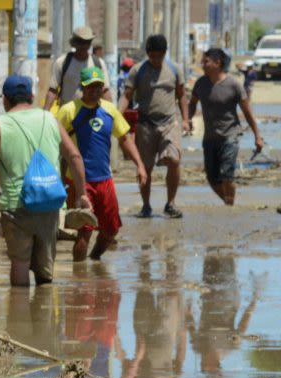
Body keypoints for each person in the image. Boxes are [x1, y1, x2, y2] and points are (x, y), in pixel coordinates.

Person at [0, 75, 88, 287]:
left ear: (5, 100)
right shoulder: (50, 119)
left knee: (19, 264)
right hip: (49, 203)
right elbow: (74, 157)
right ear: (31, 96)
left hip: (14, 205)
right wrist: (82, 194)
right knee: (46, 272)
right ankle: (43, 316)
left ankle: (19, 316)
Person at [57, 66, 149, 261]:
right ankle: (79, 276)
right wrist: (59, 179)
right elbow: (55, 142)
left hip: (105, 180)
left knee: (111, 229)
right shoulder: (68, 111)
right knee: (85, 231)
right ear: (82, 87)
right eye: (91, 87)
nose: (95, 90)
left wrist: (139, 164)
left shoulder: (110, 110)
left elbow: (125, 139)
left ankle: (94, 260)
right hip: (80, 181)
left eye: (99, 86)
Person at [121, 34, 188, 219]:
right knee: (145, 167)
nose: (156, 60)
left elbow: (182, 95)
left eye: (159, 56)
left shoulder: (175, 69)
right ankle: (146, 206)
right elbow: (127, 95)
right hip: (146, 125)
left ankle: (171, 203)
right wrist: (117, 116)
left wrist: (185, 120)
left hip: (169, 122)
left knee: (174, 160)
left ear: (165, 53)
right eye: (152, 56)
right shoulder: (137, 71)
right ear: (148, 54)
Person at [190, 48, 265, 207]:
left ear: (218, 63)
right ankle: (228, 202)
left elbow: (247, 112)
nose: (202, 65)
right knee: (212, 178)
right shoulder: (200, 84)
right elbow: (192, 103)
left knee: (226, 175)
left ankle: (229, 208)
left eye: (206, 61)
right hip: (209, 138)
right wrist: (186, 119)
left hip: (230, 137)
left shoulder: (234, 85)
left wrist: (257, 136)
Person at [44, 26, 111, 110]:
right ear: (74, 43)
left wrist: (112, 114)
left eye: (87, 42)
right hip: (68, 115)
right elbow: (53, 90)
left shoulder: (98, 63)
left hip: (92, 116)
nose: (84, 45)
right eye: (80, 42)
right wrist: (45, 114)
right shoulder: (62, 62)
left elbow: (105, 91)